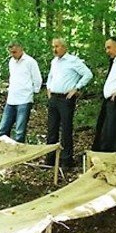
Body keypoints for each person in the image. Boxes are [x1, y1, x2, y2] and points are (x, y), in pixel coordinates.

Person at [45, 38, 93, 168]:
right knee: (52, 128)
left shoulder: (73, 61)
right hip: (53, 98)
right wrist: (49, 88)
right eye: (53, 47)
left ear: (64, 47)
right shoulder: (54, 61)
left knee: (66, 129)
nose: (55, 49)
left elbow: (88, 74)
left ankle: (66, 159)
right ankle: (50, 158)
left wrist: (76, 88)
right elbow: (50, 76)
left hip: (66, 99)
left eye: (57, 46)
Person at [0, 42, 42, 143]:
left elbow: (37, 79)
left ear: (21, 49)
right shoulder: (11, 62)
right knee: (3, 129)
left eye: (14, 52)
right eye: (10, 52)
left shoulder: (30, 62)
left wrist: (32, 91)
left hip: (24, 100)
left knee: (20, 131)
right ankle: (4, 154)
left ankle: (19, 156)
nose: (12, 54)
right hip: (11, 99)